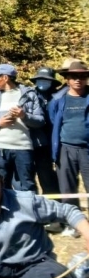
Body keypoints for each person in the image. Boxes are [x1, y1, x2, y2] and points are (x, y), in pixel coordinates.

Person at [0, 63, 45, 192]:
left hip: (23, 147)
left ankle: (28, 206)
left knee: (27, 185)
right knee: (0, 186)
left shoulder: (29, 95)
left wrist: (24, 116)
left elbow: (40, 121)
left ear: (5, 78)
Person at [50, 59, 89, 210]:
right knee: (67, 190)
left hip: (87, 149)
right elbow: (53, 121)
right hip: (65, 149)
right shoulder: (58, 100)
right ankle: (73, 220)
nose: (78, 80)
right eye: (74, 76)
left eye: (82, 76)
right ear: (67, 79)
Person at [30, 65, 63, 198]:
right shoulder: (29, 95)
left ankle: (52, 205)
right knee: (27, 178)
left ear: (52, 82)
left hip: (48, 144)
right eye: (40, 80)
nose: (43, 83)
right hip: (30, 142)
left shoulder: (58, 97)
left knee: (47, 177)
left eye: (46, 80)